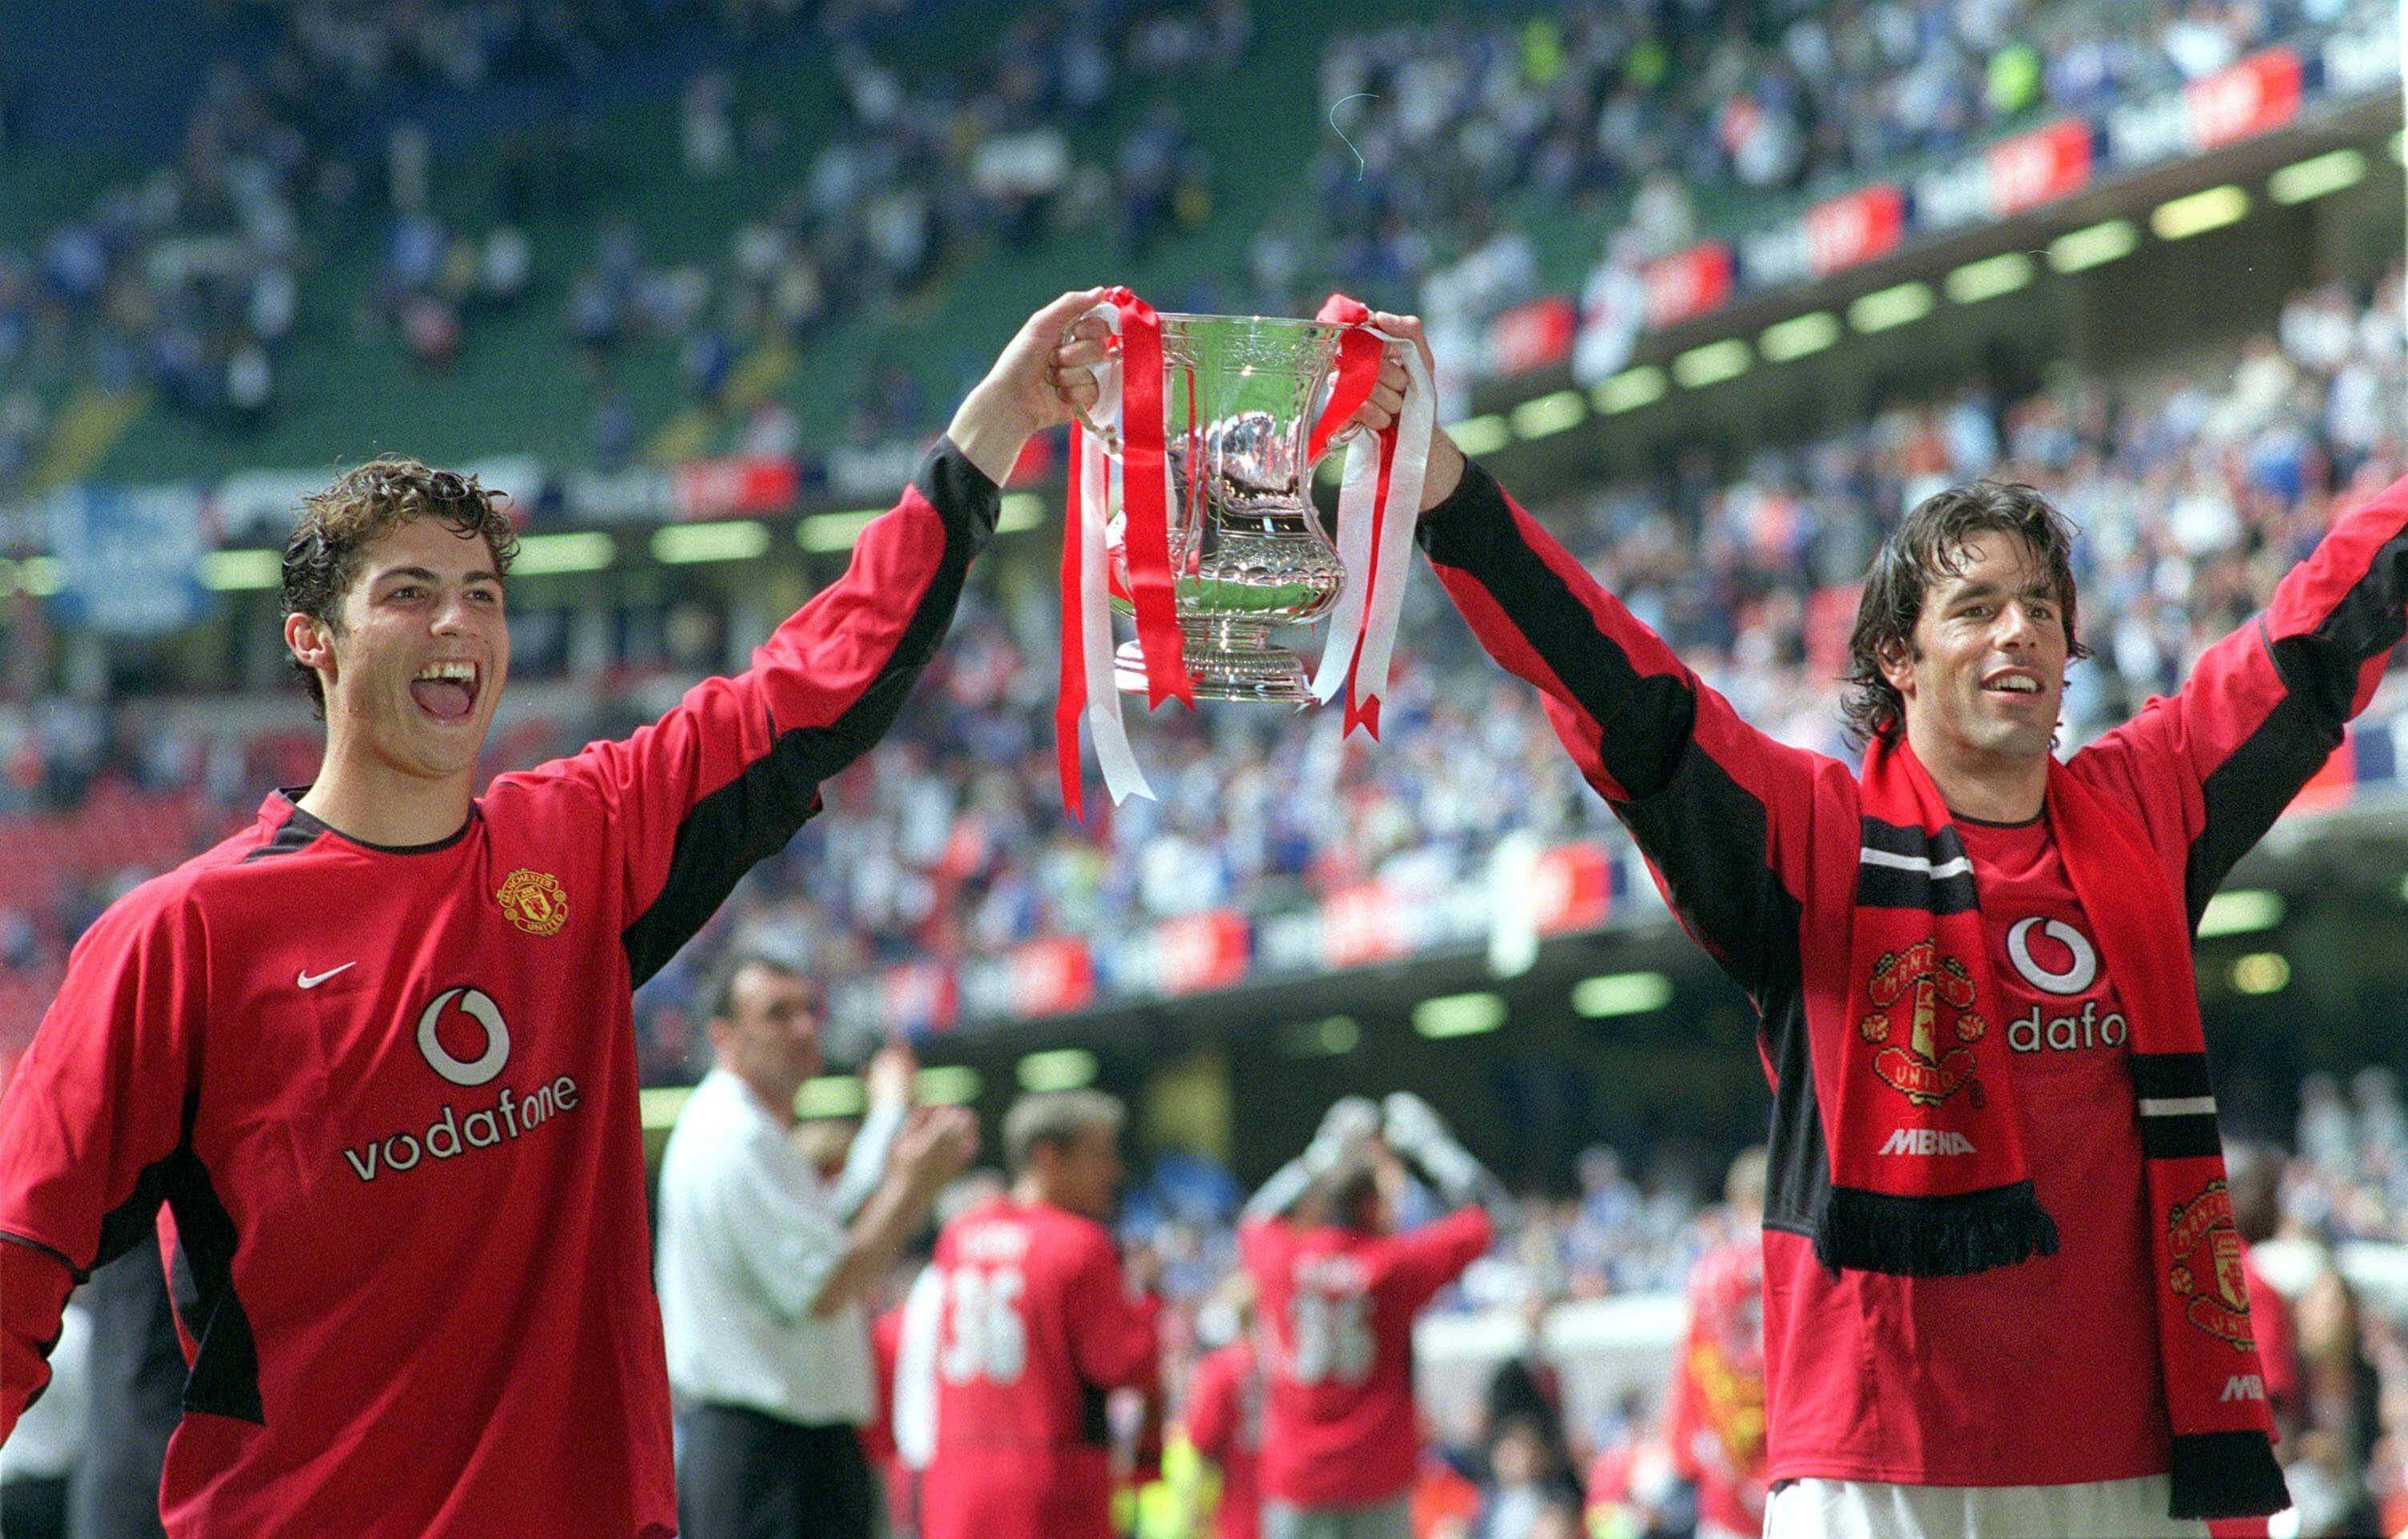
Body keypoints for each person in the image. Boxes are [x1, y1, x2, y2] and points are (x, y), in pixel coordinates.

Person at [0, 286, 1125, 1535]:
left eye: (483, 594)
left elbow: (811, 687)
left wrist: (989, 431)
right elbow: (18, 1244)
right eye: (410, 593)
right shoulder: (184, 940)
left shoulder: (580, 842)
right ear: (310, 640)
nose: (457, 623)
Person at [1283, 312, 2408, 1537]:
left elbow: (2304, 649)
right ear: (1897, 657)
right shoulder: (1807, 833)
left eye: (2040, 604)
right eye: (1974, 607)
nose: (2019, 628)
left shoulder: (2146, 807)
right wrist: (1446, 489)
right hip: (1887, 1469)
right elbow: (1626, 695)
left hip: (2143, 1456)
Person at [656, 951, 977, 1539]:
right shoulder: (734, 1136)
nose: (804, 1026)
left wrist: (886, 1119)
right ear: (723, 1036)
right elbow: (827, 1284)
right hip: (769, 1455)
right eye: (778, 1014)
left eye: (809, 1008)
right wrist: (915, 1185)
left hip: (780, 1447)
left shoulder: (745, 1127)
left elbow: (823, 1232)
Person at [1239, 1094, 1502, 1539]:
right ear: (1374, 1207)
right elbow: (1483, 1218)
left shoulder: (1282, 1259)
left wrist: (1318, 1155)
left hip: (1297, 1476)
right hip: (1377, 1474)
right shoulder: (1394, 1266)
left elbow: (1254, 1218)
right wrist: (1432, 1148)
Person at [910, 1089, 1161, 1539]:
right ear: (1048, 1158)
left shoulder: (958, 1234)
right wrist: (1147, 1301)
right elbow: (1120, 1365)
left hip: (955, 1482)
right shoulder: (1080, 1242)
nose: (1115, 1172)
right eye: (1101, 1155)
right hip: (1050, 1486)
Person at [1663, 1149, 1769, 1539]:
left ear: (1737, 1199)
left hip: (1726, 1464)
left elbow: (1691, 1362)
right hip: (1792, 1470)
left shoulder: (1708, 1272)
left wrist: (1680, 1445)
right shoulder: (1803, 1262)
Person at [1184, 1279, 1268, 1539]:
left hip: (1237, 1508)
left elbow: (1201, 1437)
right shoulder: (1287, 1367)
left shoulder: (1219, 1367)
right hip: (1292, 1503)